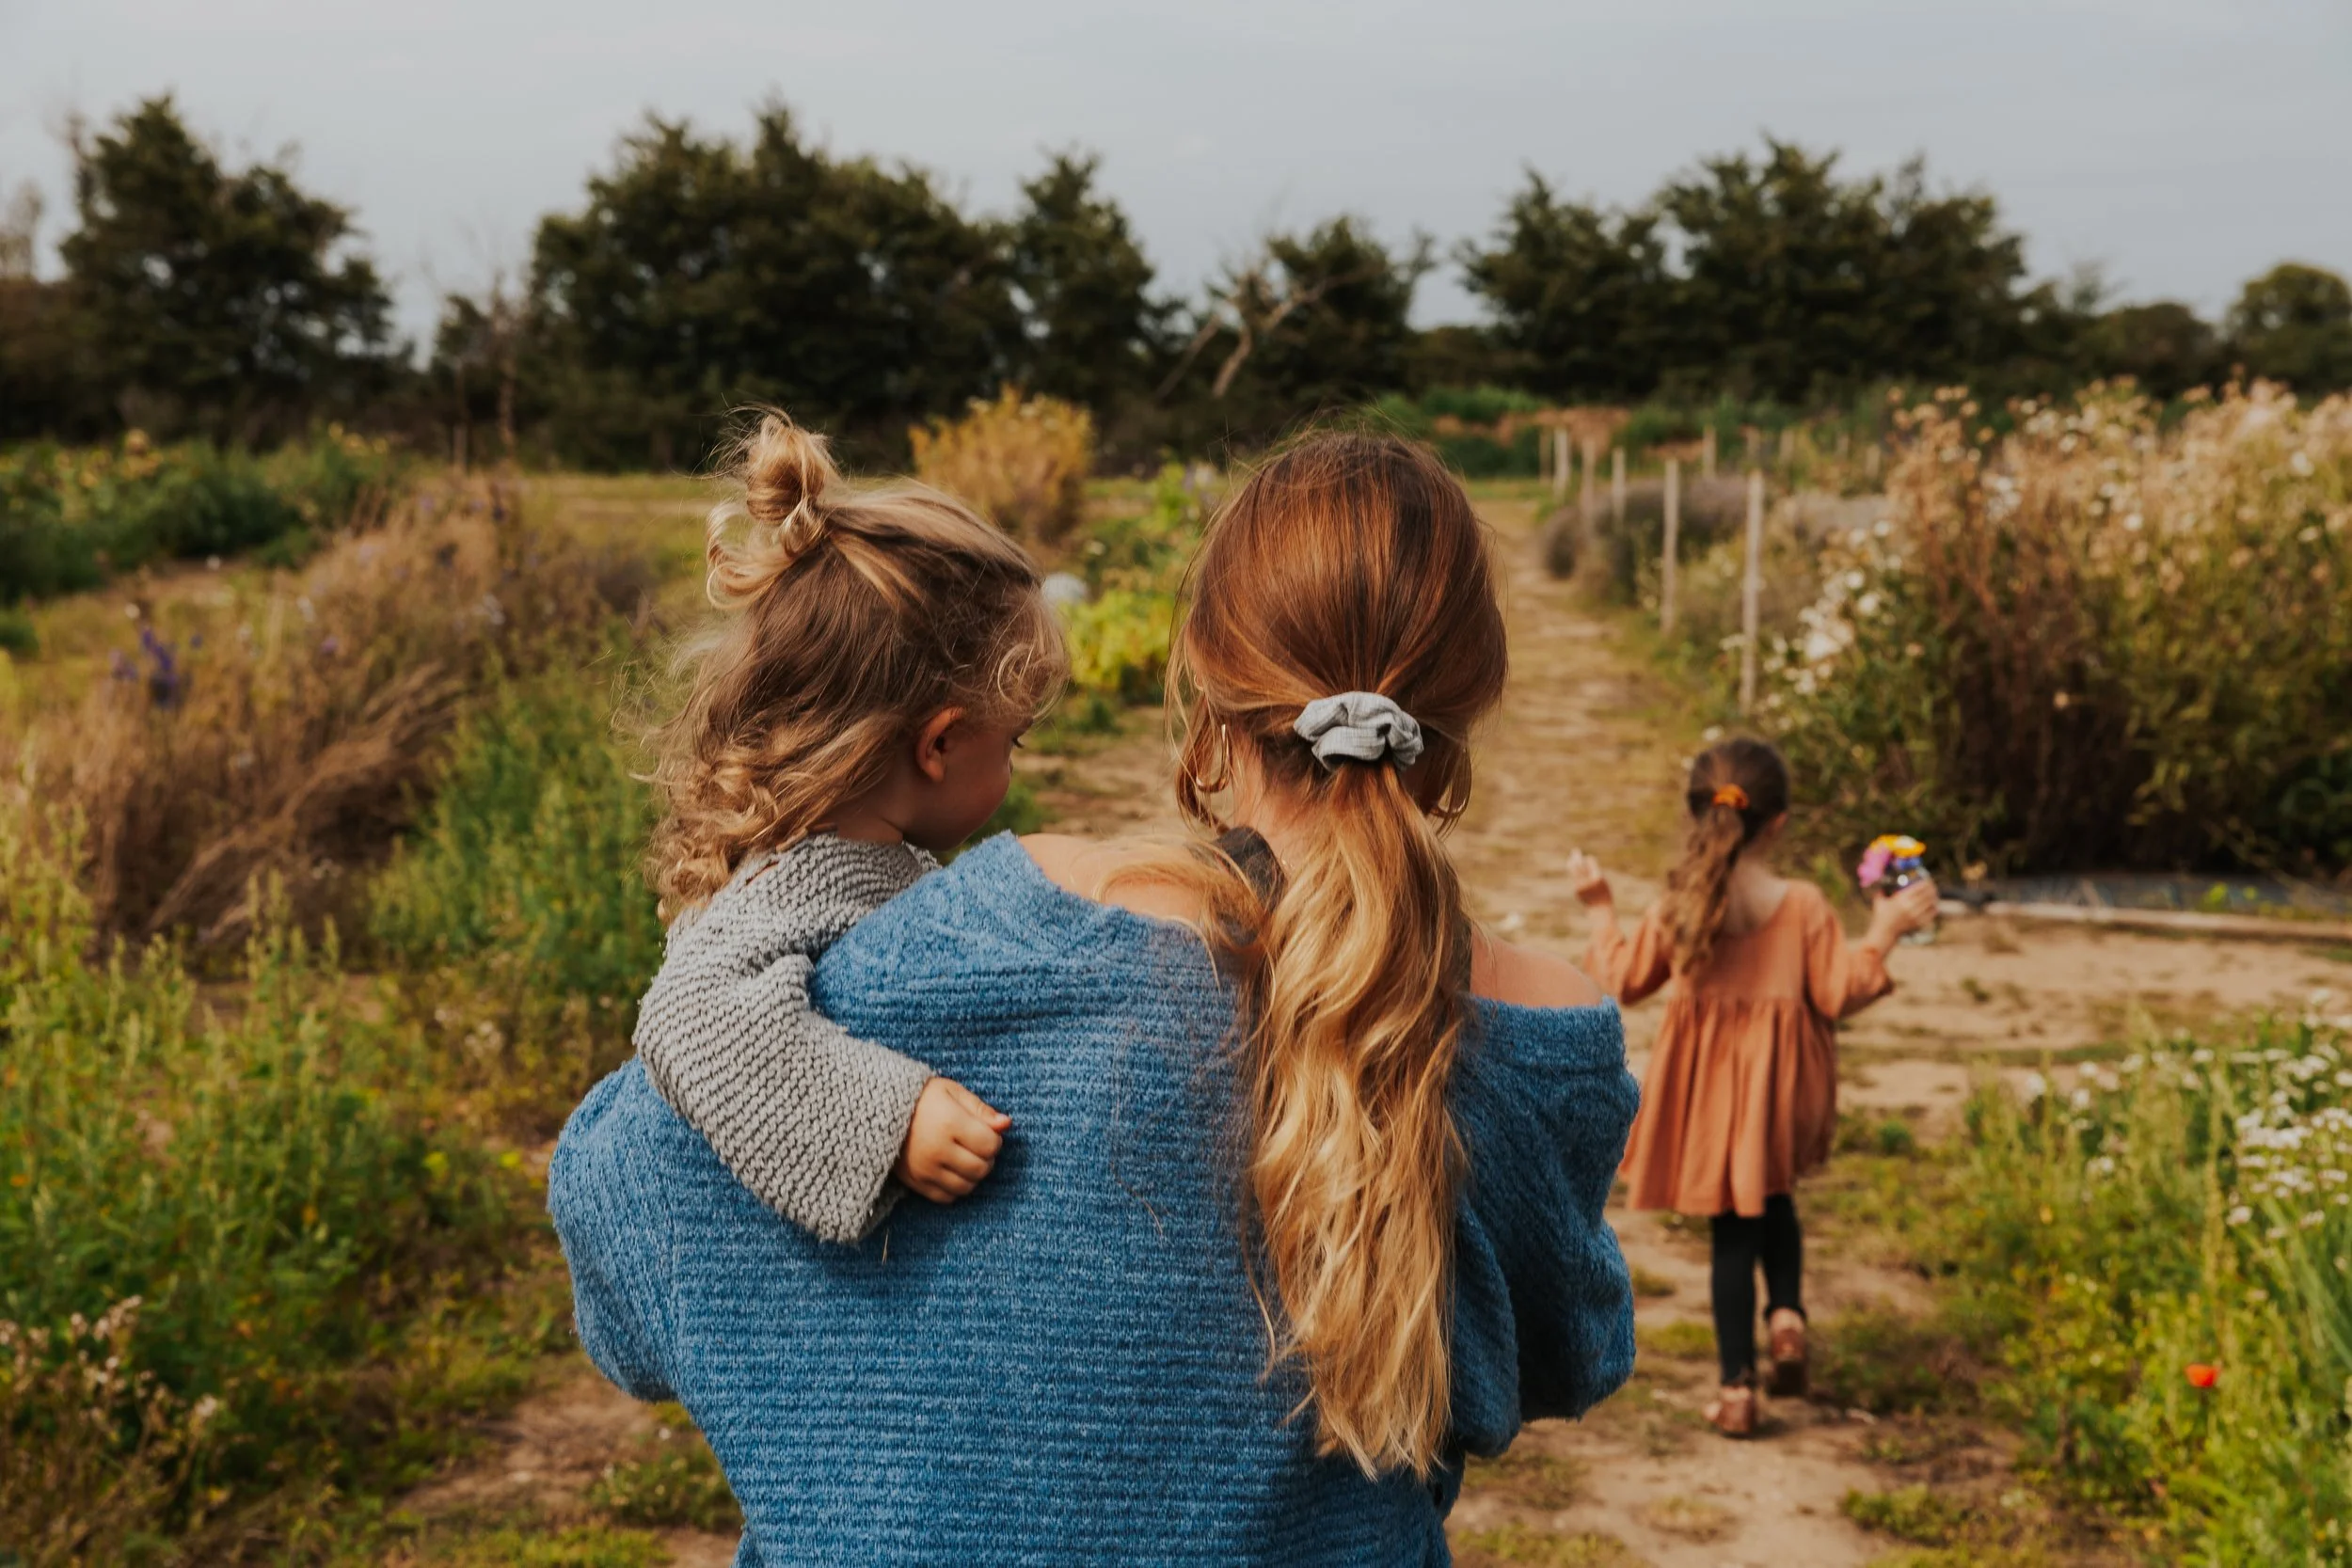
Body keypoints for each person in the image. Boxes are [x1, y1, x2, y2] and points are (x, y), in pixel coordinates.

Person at [549, 431, 1640, 1565]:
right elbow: (1568, 1350)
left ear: (1208, 693)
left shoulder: (927, 951)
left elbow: (617, 1235)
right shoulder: (1531, 1035)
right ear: (1458, 722)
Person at [629, 409, 1066, 1244]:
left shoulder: (850, 859)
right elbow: (686, 1018)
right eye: (1012, 741)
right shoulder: (794, 880)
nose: (1014, 768)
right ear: (937, 743)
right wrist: (891, 1119)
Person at [1565, 736, 1937, 1438]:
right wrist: (1883, 931)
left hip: (1705, 1099)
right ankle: (1788, 1315)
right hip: (1780, 1092)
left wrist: (1598, 906)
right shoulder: (1802, 904)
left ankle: (1737, 1388)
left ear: (1697, 813)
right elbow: (1839, 991)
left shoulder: (1683, 901)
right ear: (1779, 823)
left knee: (1732, 1235)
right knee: (1774, 1196)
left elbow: (1619, 980)